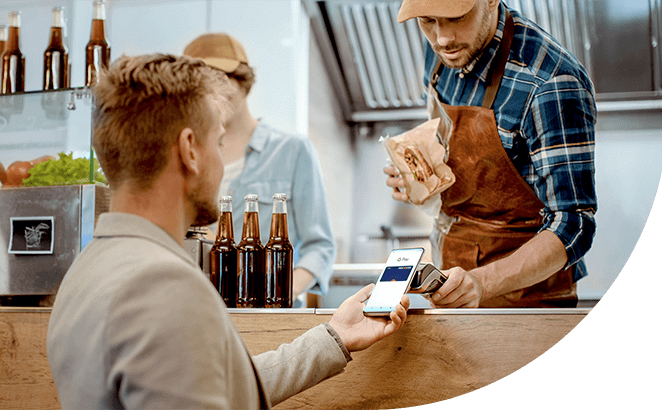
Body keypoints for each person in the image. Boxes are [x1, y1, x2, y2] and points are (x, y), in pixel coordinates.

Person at [46, 54, 410, 409]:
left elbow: (216, 385)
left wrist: (334, 338)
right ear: (190, 150)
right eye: (219, 143)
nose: (224, 163)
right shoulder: (163, 284)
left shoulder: (84, 271)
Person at [385, 0, 597, 308]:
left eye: (455, 18)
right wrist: (419, 171)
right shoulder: (443, 50)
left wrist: (482, 282)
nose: (442, 38)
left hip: (526, 304)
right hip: (451, 279)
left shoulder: (550, 83)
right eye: (428, 21)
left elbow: (574, 224)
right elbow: (451, 141)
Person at [183, 33, 335, 303]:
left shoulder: (293, 151)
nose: (212, 94)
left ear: (242, 81)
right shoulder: (188, 155)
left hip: (269, 313)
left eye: (220, 78)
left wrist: (281, 293)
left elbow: (320, 247)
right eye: (200, 85)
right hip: (203, 308)